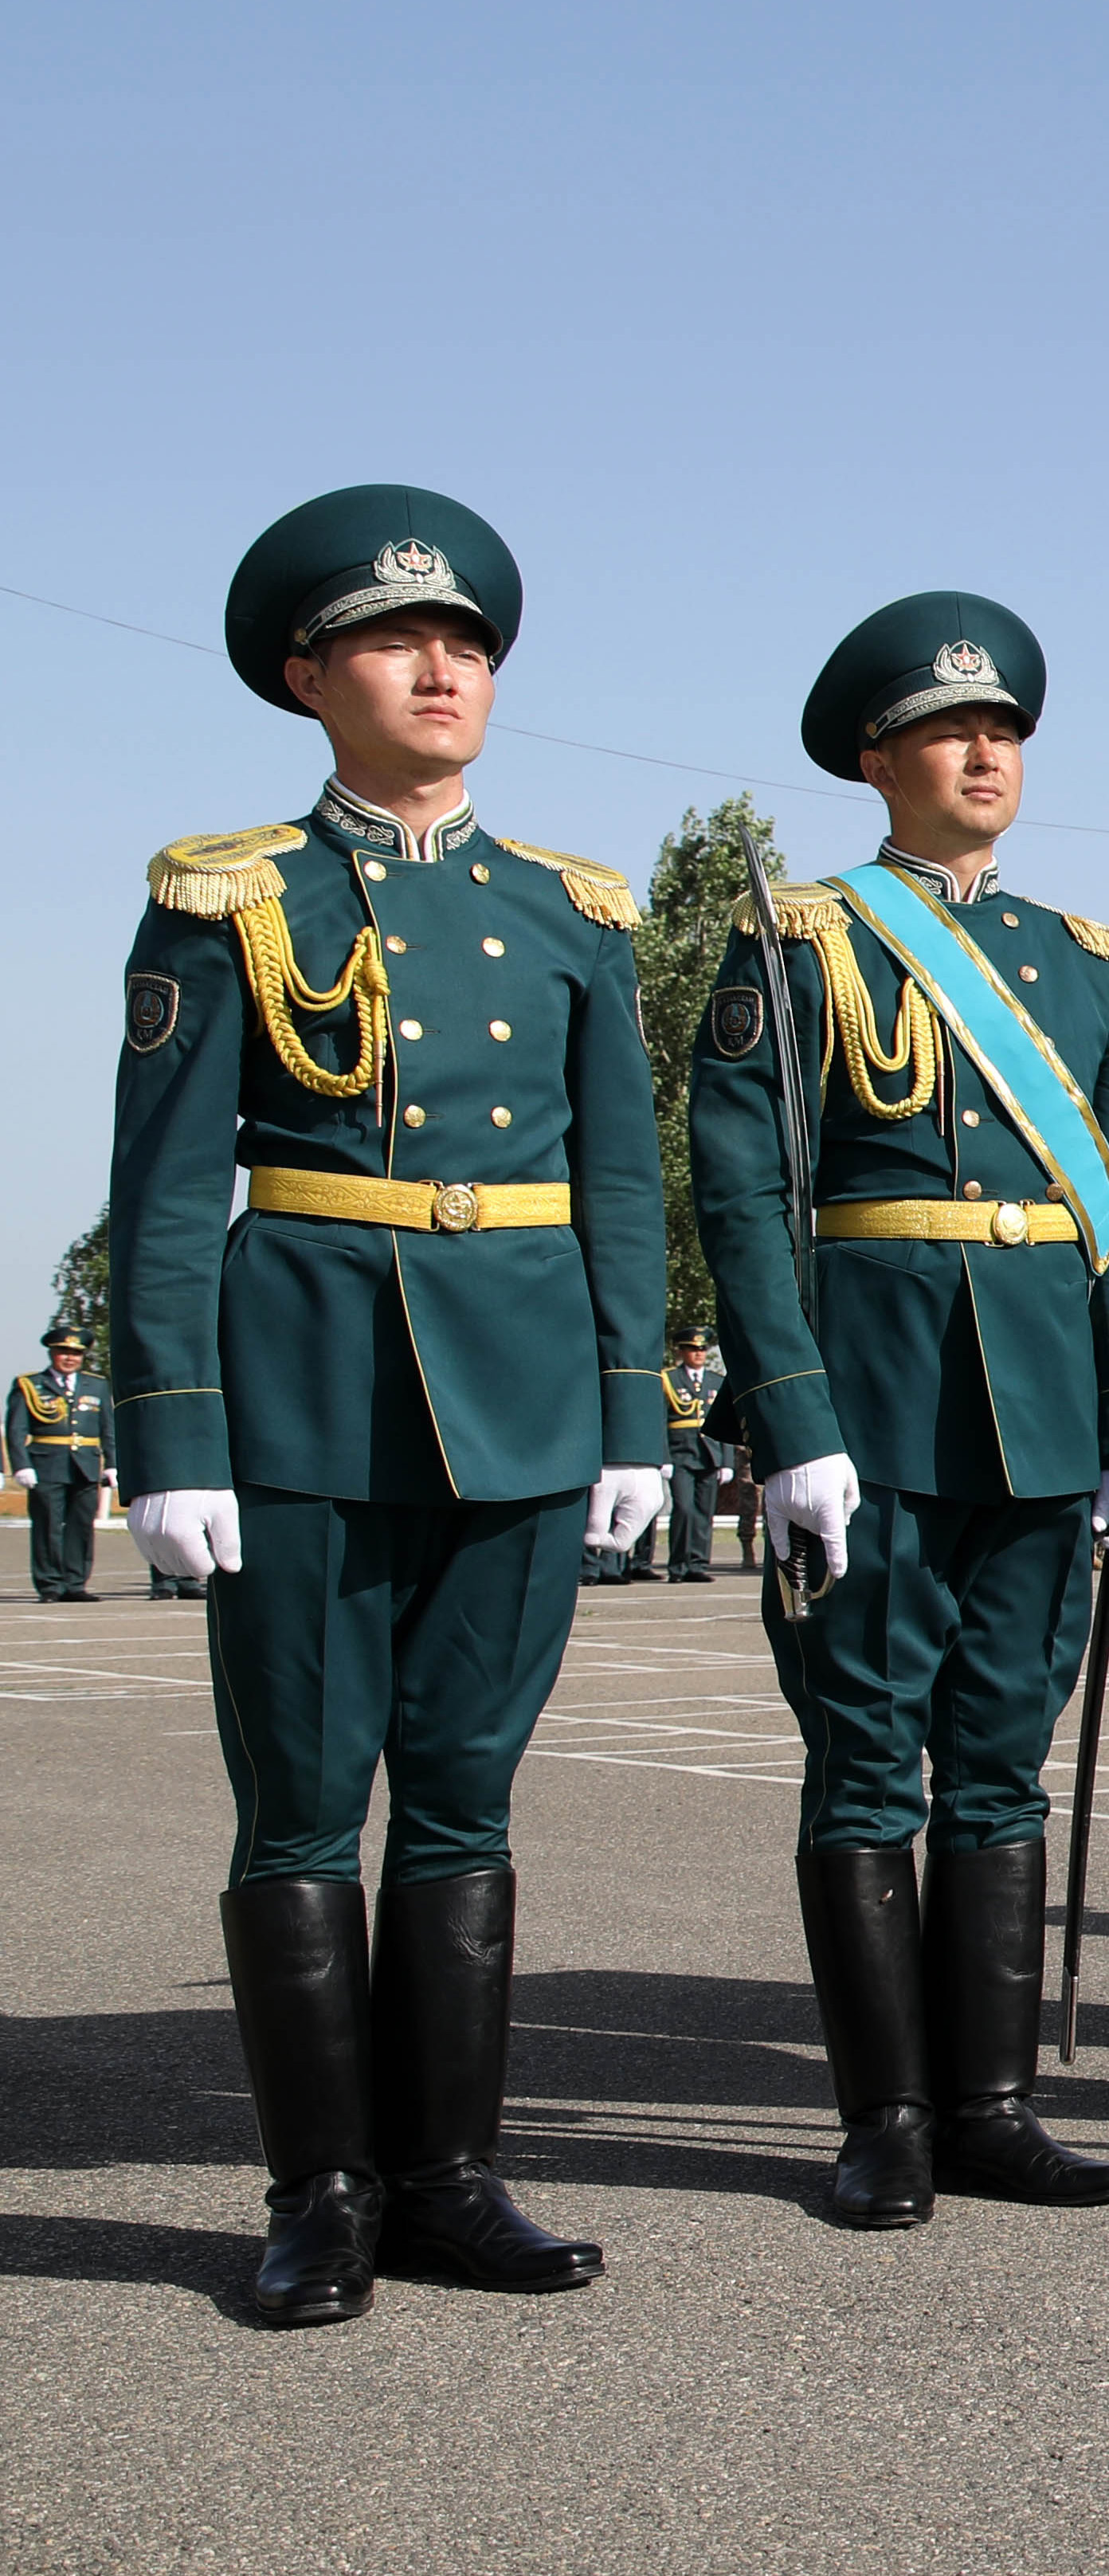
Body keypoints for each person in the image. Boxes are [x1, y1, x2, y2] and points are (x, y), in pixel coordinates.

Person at [117, 484, 657, 2321]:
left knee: (464, 1806)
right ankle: (322, 2188)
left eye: (470, 643)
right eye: (397, 638)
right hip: (302, 1394)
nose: (444, 666)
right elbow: (175, 1184)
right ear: (307, 672)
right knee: (297, 1809)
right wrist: (171, 1427)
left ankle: (447, 2174)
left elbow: (623, 1194)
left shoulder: (571, 913)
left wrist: (636, 1418)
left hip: (517, 1394)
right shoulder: (230, 896)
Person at [691, 591, 1109, 2229]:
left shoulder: (1083, 964)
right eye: (952, 728)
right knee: (869, 1759)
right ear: (875, 756)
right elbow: (742, 1192)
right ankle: (882, 2115)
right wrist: (787, 1411)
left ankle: (995, 2104)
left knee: (1001, 1767)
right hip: (872, 1404)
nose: (984, 752)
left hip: (1037, 1410)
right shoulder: (799, 937)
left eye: (1006, 730)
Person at [17, 1328, 112, 1602]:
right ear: (52, 1354)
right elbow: (16, 1430)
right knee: (47, 1526)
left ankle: (75, 1583)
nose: (70, 1358)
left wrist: (112, 1464)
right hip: (46, 1464)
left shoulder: (97, 1385)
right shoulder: (30, 1385)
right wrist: (22, 1465)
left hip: (85, 1464)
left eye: (76, 1354)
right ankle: (49, 1585)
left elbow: (108, 1428)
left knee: (81, 1525)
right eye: (64, 1352)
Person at [657, 1331, 723, 1584]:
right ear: (681, 1352)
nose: (699, 1354)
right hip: (680, 1454)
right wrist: (663, 1457)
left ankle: (697, 1563)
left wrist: (726, 1462)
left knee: (704, 1513)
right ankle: (678, 1565)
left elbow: (722, 1423)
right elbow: (660, 1421)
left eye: (703, 1349)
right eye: (693, 1349)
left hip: (709, 1455)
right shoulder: (669, 1379)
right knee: (684, 1509)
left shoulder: (716, 1381)